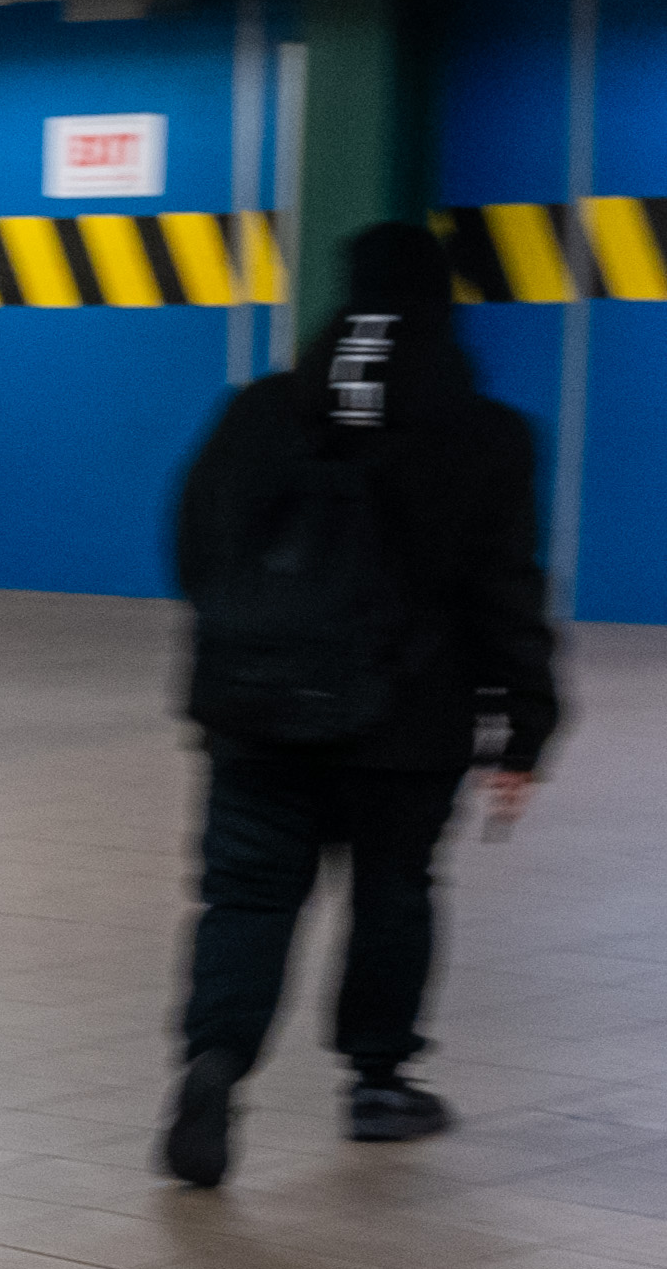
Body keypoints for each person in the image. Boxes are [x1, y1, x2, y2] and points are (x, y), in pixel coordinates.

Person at [160, 219, 558, 1187]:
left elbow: (191, 547)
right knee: (392, 893)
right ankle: (378, 1083)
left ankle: (212, 1065)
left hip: (254, 713)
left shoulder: (255, 410)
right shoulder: (484, 435)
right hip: (406, 722)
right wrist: (526, 724)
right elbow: (504, 591)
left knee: (246, 897)